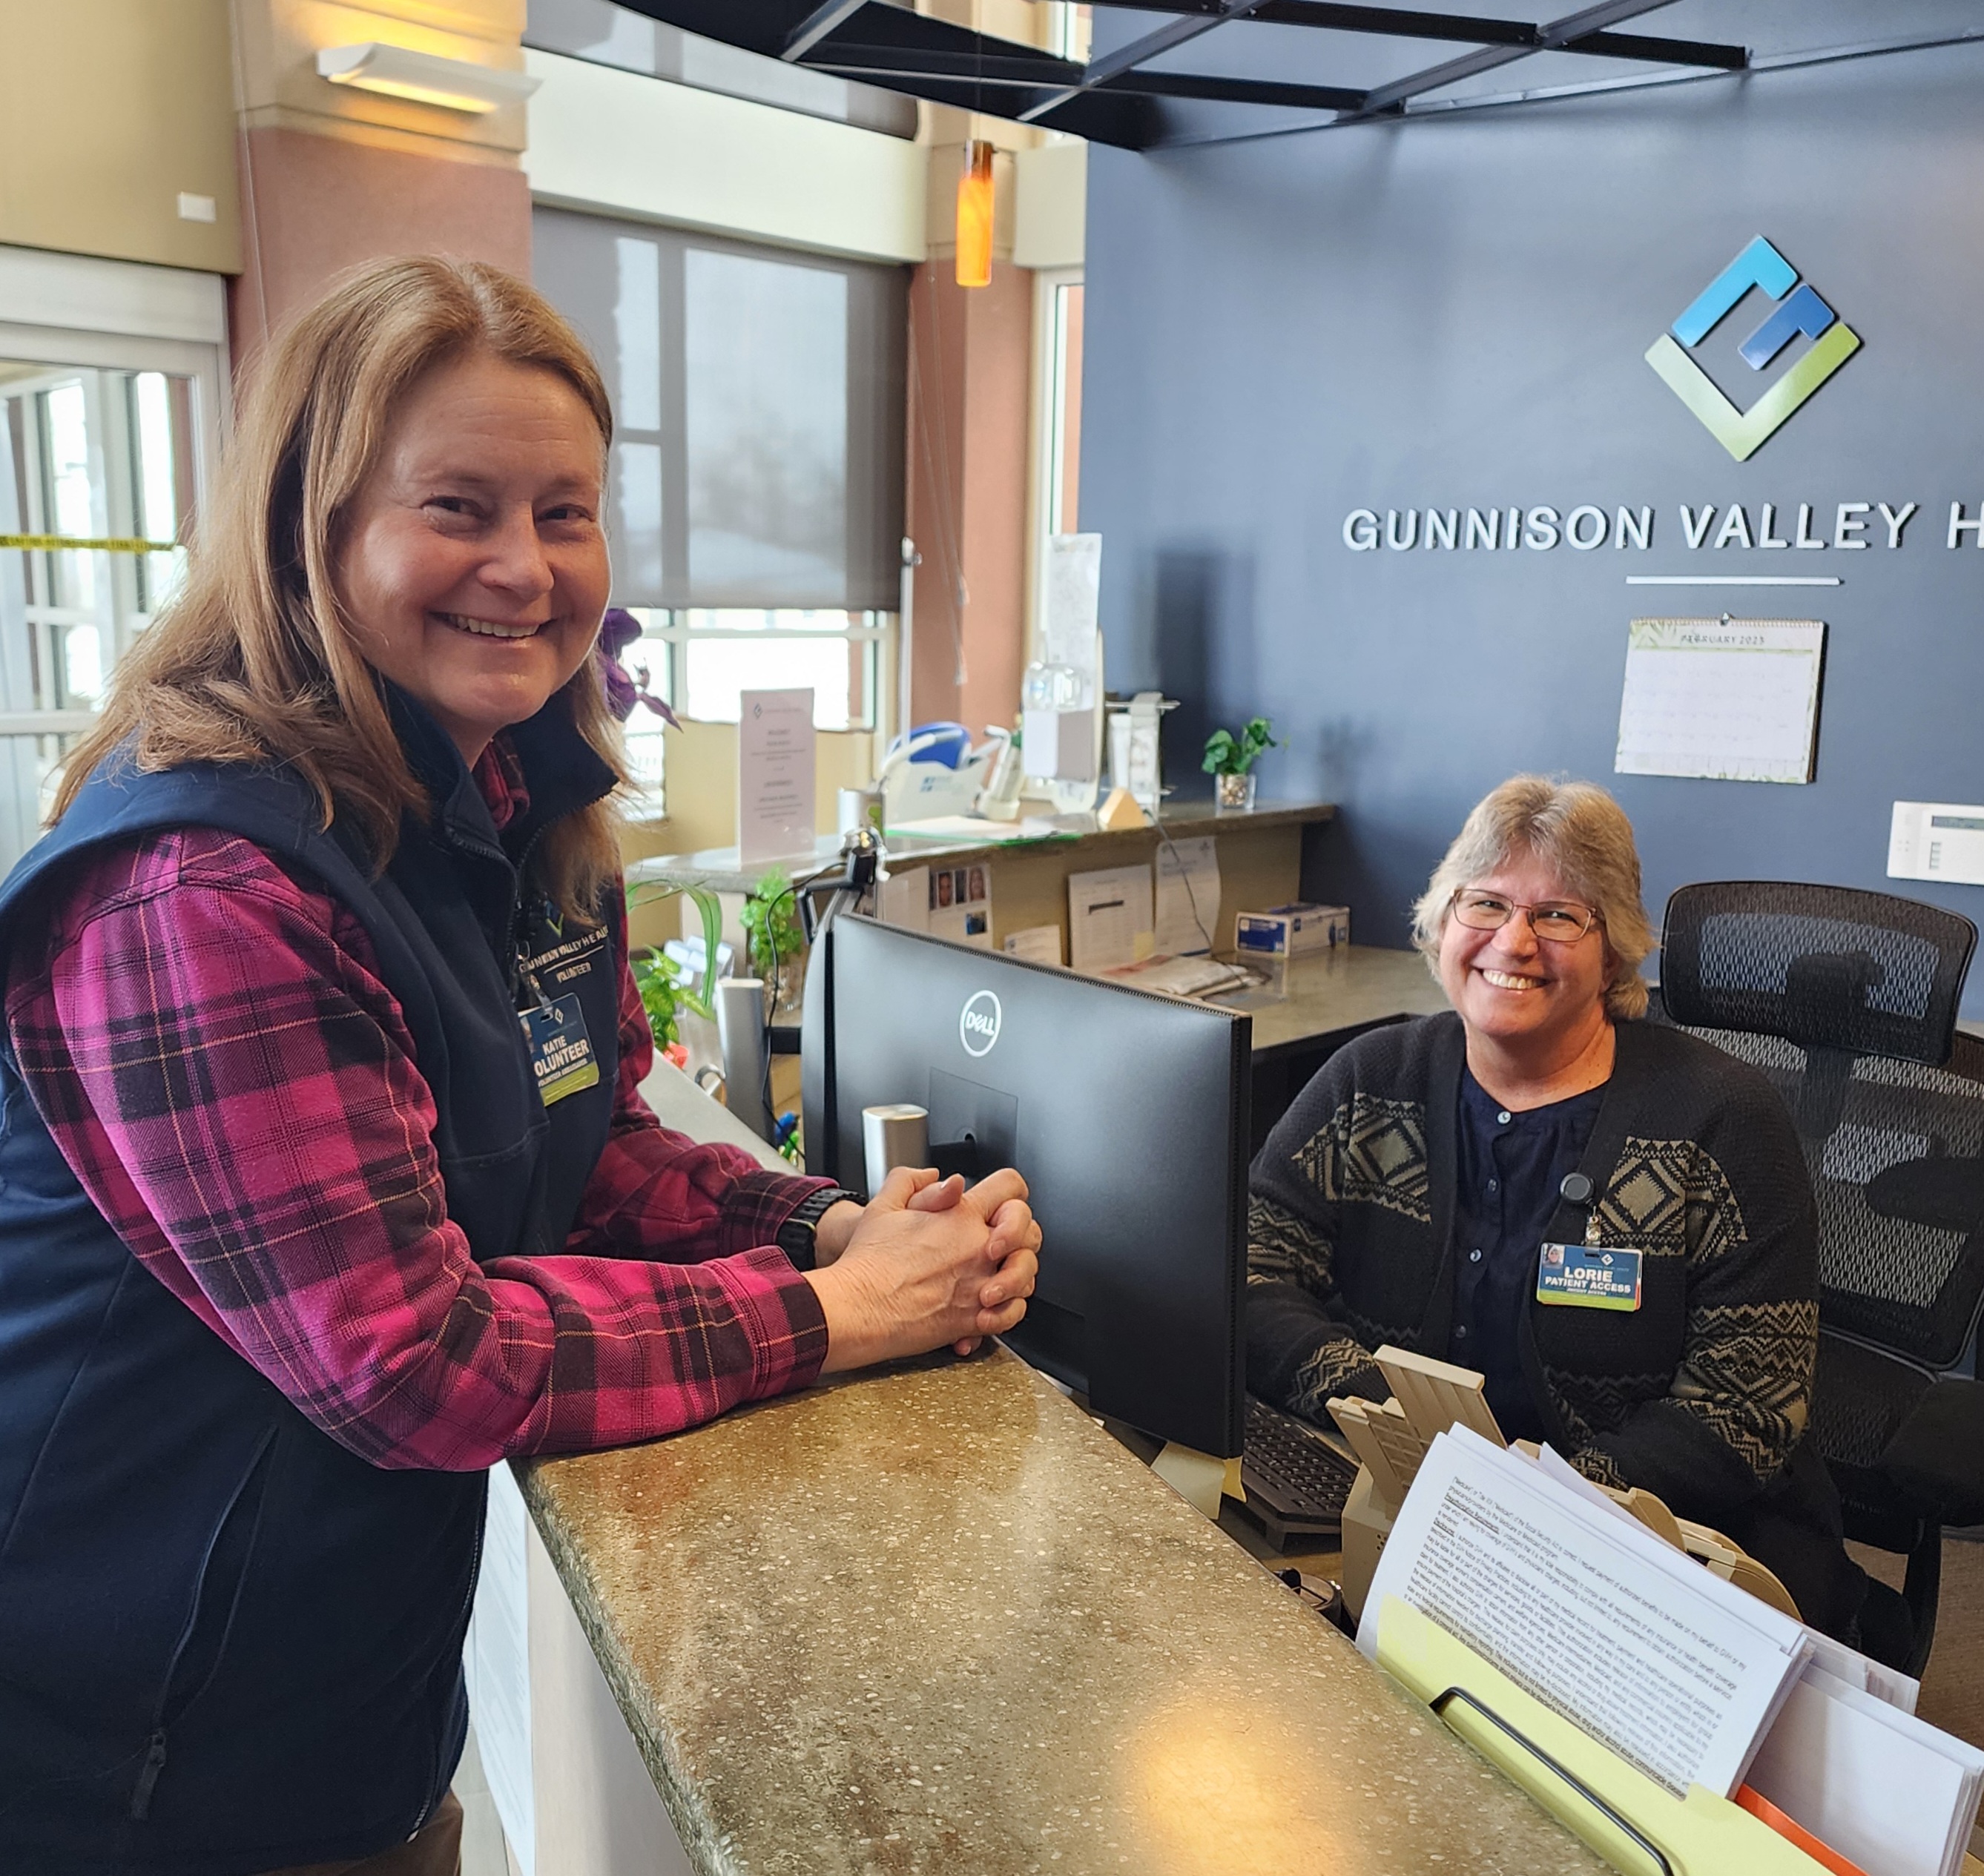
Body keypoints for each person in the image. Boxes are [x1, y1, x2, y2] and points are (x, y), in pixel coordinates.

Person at [0, 258, 1039, 1876]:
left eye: (565, 512)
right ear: (312, 533)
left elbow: (588, 1137)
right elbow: (410, 1356)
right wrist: (842, 1311)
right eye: (458, 506)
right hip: (125, 1754)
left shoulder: (512, 805)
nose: (523, 566)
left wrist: (821, 1224)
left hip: (351, 1704)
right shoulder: (203, 890)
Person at [1245, 775, 1903, 1659]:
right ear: (1442, 921)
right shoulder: (1372, 1079)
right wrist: (1373, 1407)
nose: (1511, 940)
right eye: (1483, 903)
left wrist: (1533, 1495)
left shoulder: (1721, 1122)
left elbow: (1743, 1408)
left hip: (1667, 1561)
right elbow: (1247, 1265)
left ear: (1615, 950)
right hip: (1404, 1511)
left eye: (1558, 915)